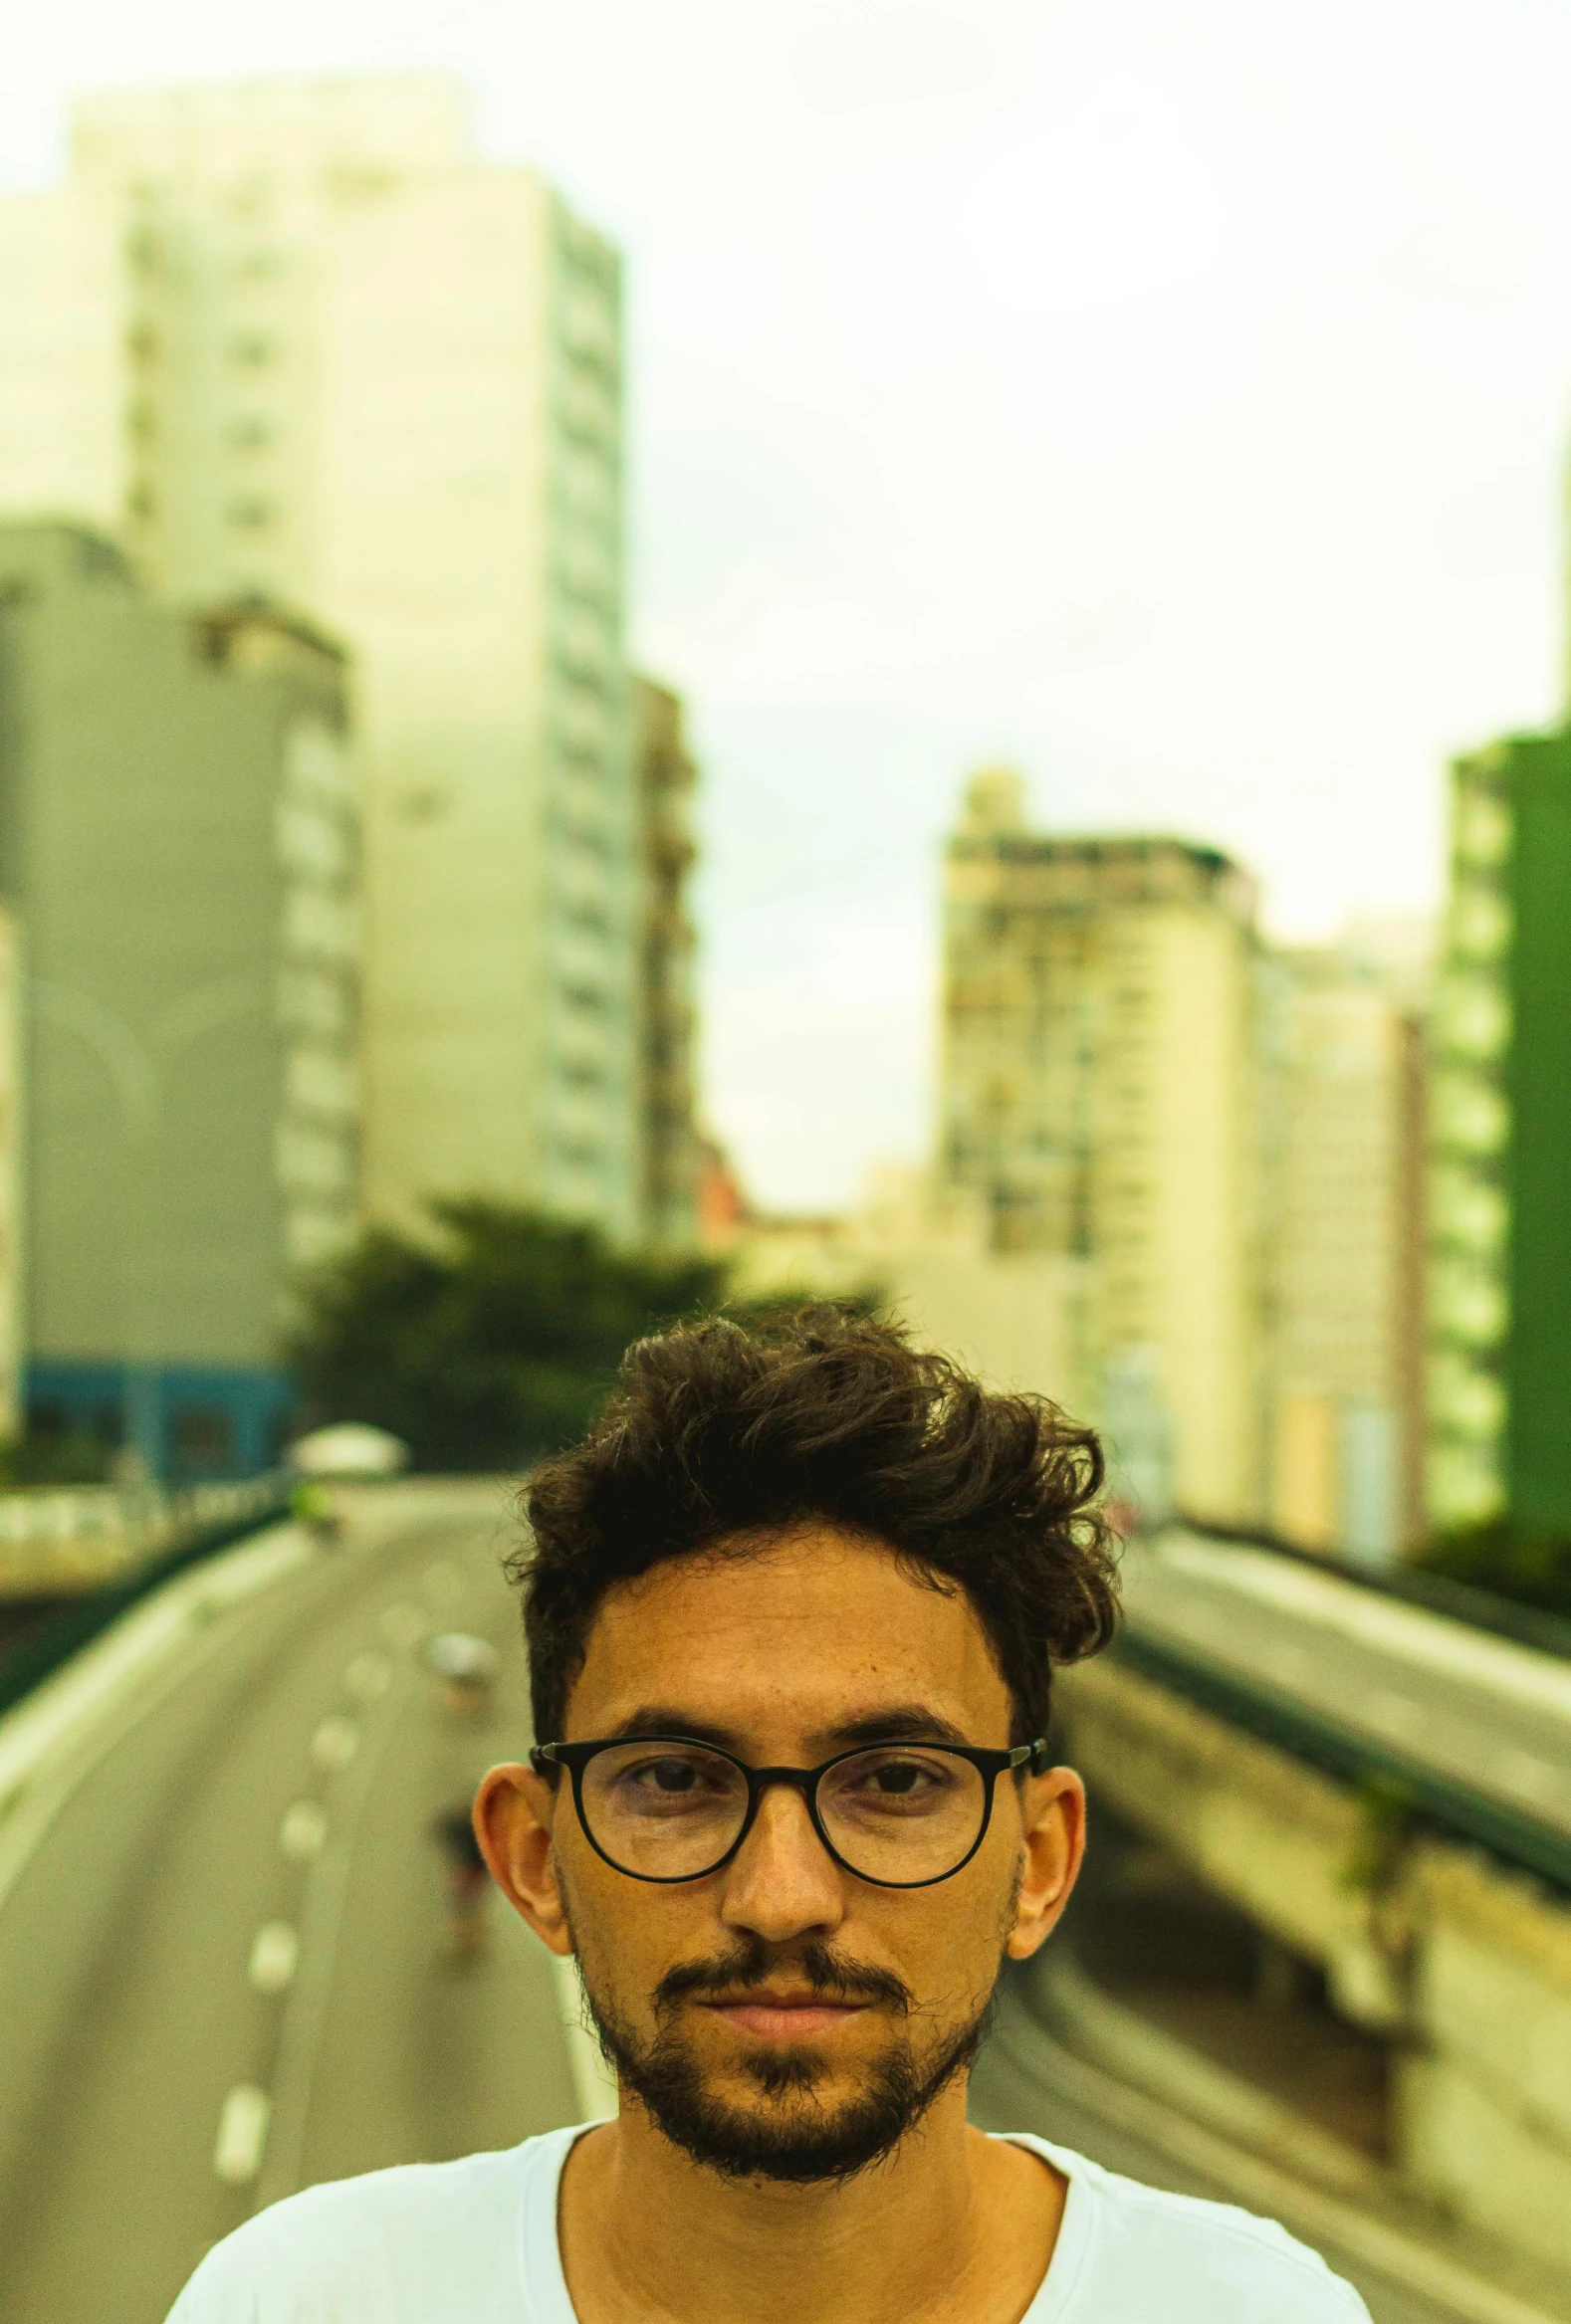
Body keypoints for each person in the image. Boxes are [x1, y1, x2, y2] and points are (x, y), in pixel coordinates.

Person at [167, 1308, 1372, 2323]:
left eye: (897, 1780)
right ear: (532, 1857)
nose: (783, 1895)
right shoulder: (307, 2299)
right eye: (676, 1780)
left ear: (1042, 1861)